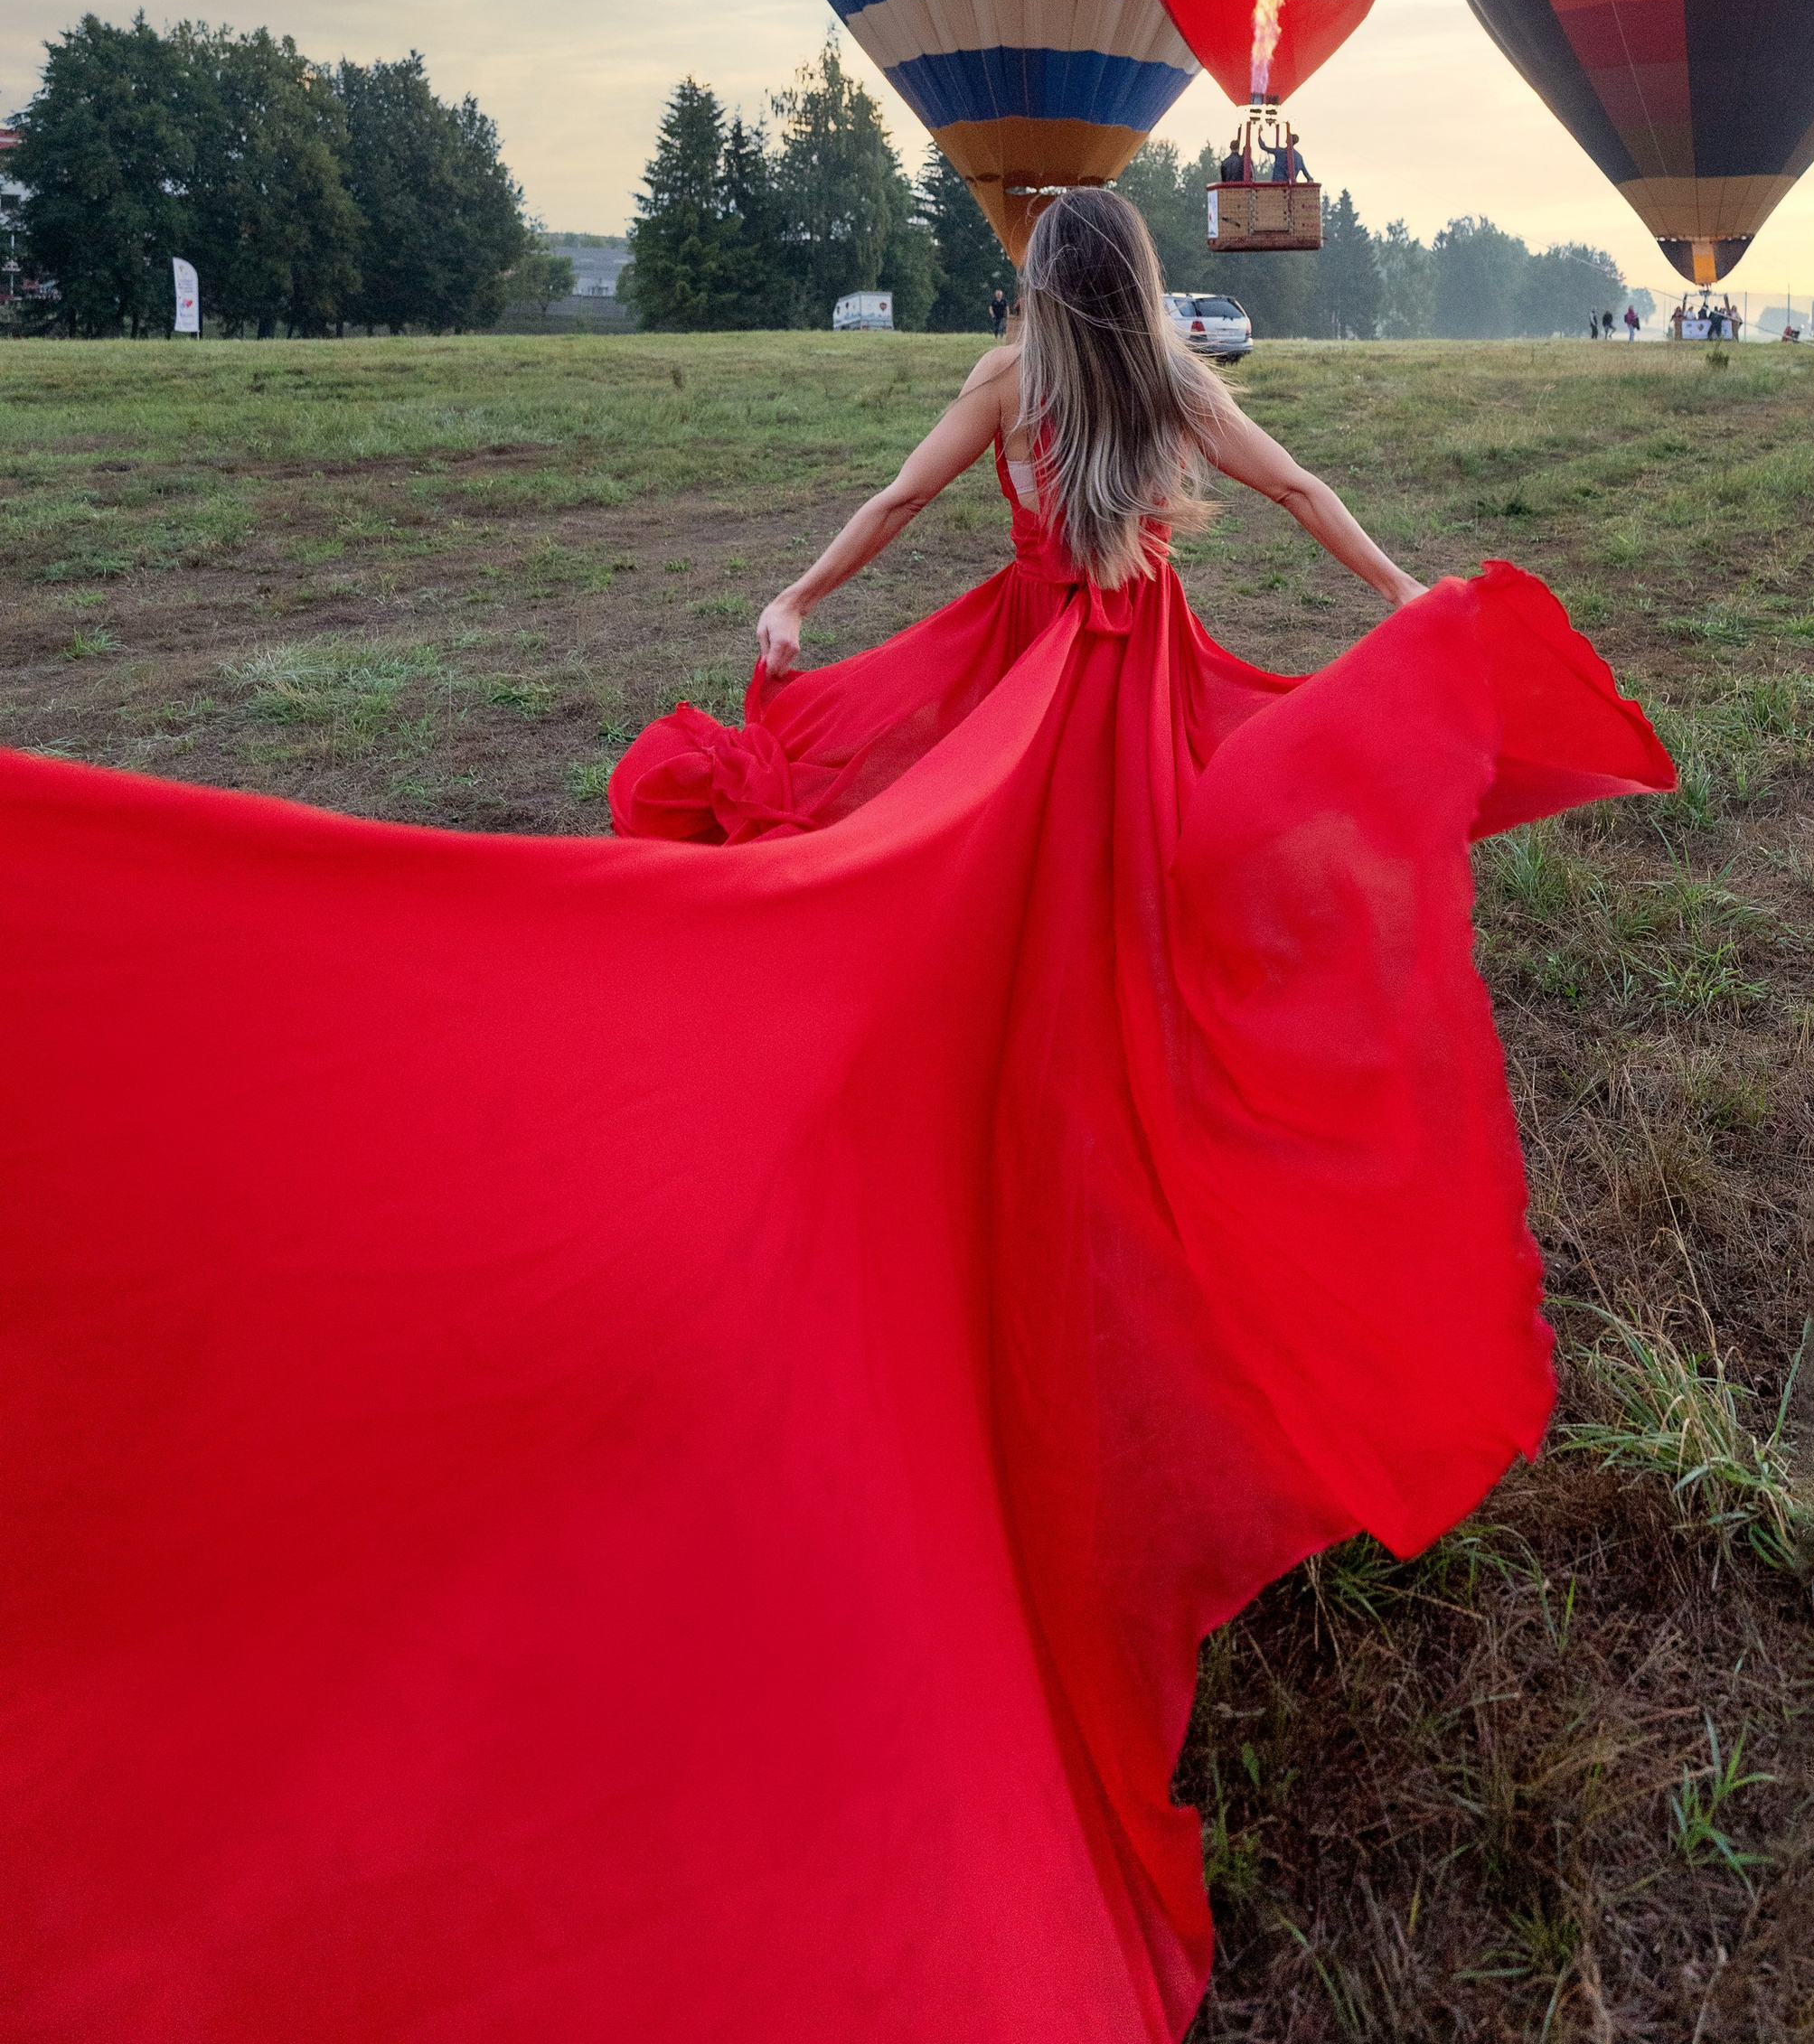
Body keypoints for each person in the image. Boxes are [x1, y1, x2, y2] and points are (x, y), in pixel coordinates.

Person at [0, 189, 1671, 2043]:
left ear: (1041, 284)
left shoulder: (1008, 379)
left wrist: (802, 594)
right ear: (1141, 288)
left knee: (941, 889)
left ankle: (983, 1073)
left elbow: (892, 507)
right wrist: (1404, 598)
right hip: (1126, 699)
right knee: (1128, 919)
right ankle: (1104, 1084)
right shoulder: (1175, 386)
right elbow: (1295, 500)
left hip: (1029, 689)